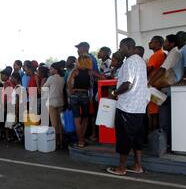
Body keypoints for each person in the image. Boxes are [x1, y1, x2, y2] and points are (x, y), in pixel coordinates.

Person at [107, 38, 150, 176]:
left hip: (127, 107)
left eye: (121, 47)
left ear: (127, 46)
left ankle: (121, 168)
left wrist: (114, 93)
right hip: (139, 107)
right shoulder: (141, 61)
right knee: (137, 138)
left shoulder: (129, 62)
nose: (120, 49)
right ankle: (138, 165)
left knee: (124, 138)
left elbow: (127, 84)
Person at [68, 55, 105, 148]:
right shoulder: (90, 72)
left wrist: (71, 90)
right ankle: (82, 140)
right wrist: (95, 79)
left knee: (77, 120)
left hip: (74, 95)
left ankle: (80, 141)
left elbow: (69, 82)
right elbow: (102, 77)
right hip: (85, 95)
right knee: (85, 119)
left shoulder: (75, 71)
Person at [43, 62, 66, 148]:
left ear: (55, 70)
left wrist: (43, 81)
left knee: (54, 124)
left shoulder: (51, 78)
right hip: (60, 101)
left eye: (51, 69)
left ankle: (55, 143)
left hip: (52, 102)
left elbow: (44, 88)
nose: (50, 70)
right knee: (60, 123)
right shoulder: (62, 78)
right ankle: (62, 141)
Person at [146, 36, 167, 131]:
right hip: (159, 87)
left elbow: (147, 70)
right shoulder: (163, 54)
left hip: (153, 88)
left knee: (153, 115)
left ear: (158, 43)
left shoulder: (156, 55)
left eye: (152, 42)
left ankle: (153, 138)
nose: (149, 43)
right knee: (156, 114)